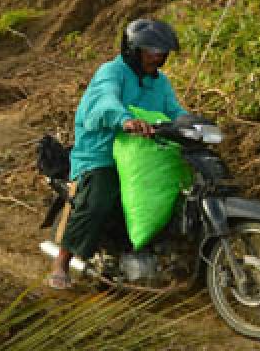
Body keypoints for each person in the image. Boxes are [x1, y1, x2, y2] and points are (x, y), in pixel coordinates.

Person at [48, 18, 187, 290]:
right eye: (150, 51)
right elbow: (105, 102)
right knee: (99, 196)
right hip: (101, 154)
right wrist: (125, 120)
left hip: (143, 156)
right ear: (133, 50)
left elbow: (175, 111)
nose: (157, 57)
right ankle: (61, 262)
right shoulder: (111, 72)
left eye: (161, 53)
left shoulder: (159, 83)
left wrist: (193, 124)